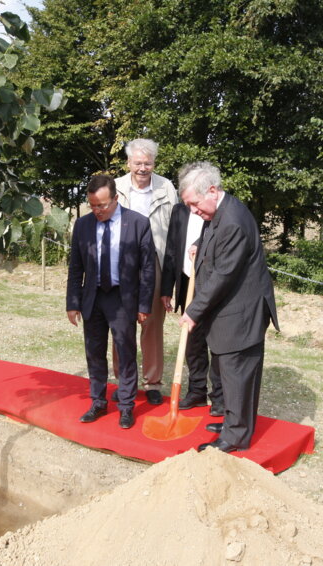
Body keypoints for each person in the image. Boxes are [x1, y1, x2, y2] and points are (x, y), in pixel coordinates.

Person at [178, 162, 279, 453]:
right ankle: (232, 421)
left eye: (194, 204)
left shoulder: (233, 219)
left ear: (212, 191)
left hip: (242, 310)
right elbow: (212, 234)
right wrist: (200, 243)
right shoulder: (219, 211)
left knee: (237, 372)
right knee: (228, 370)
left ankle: (236, 435)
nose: (193, 211)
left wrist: (194, 311)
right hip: (230, 308)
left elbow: (223, 274)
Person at [67, 174, 156, 429]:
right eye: (93, 205)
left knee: (126, 353)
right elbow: (76, 267)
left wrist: (143, 305)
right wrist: (72, 302)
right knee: (94, 353)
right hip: (92, 298)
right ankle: (97, 401)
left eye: (103, 205)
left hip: (122, 298)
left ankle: (126, 407)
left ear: (116, 198)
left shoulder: (138, 223)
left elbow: (147, 269)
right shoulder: (83, 225)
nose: (98, 210)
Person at [112, 138, 178, 405]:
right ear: (128, 163)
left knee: (152, 325)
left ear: (154, 163)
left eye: (147, 163)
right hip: (122, 264)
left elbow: (175, 230)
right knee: (121, 324)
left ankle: (152, 382)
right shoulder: (115, 187)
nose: (142, 168)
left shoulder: (166, 187)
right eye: (138, 162)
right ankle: (123, 380)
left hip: (156, 261)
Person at [160, 199, 224, 416]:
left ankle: (219, 398)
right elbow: (171, 249)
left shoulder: (217, 211)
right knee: (192, 341)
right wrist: (166, 288)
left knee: (215, 340)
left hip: (212, 283)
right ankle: (197, 391)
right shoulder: (179, 210)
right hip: (188, 281)